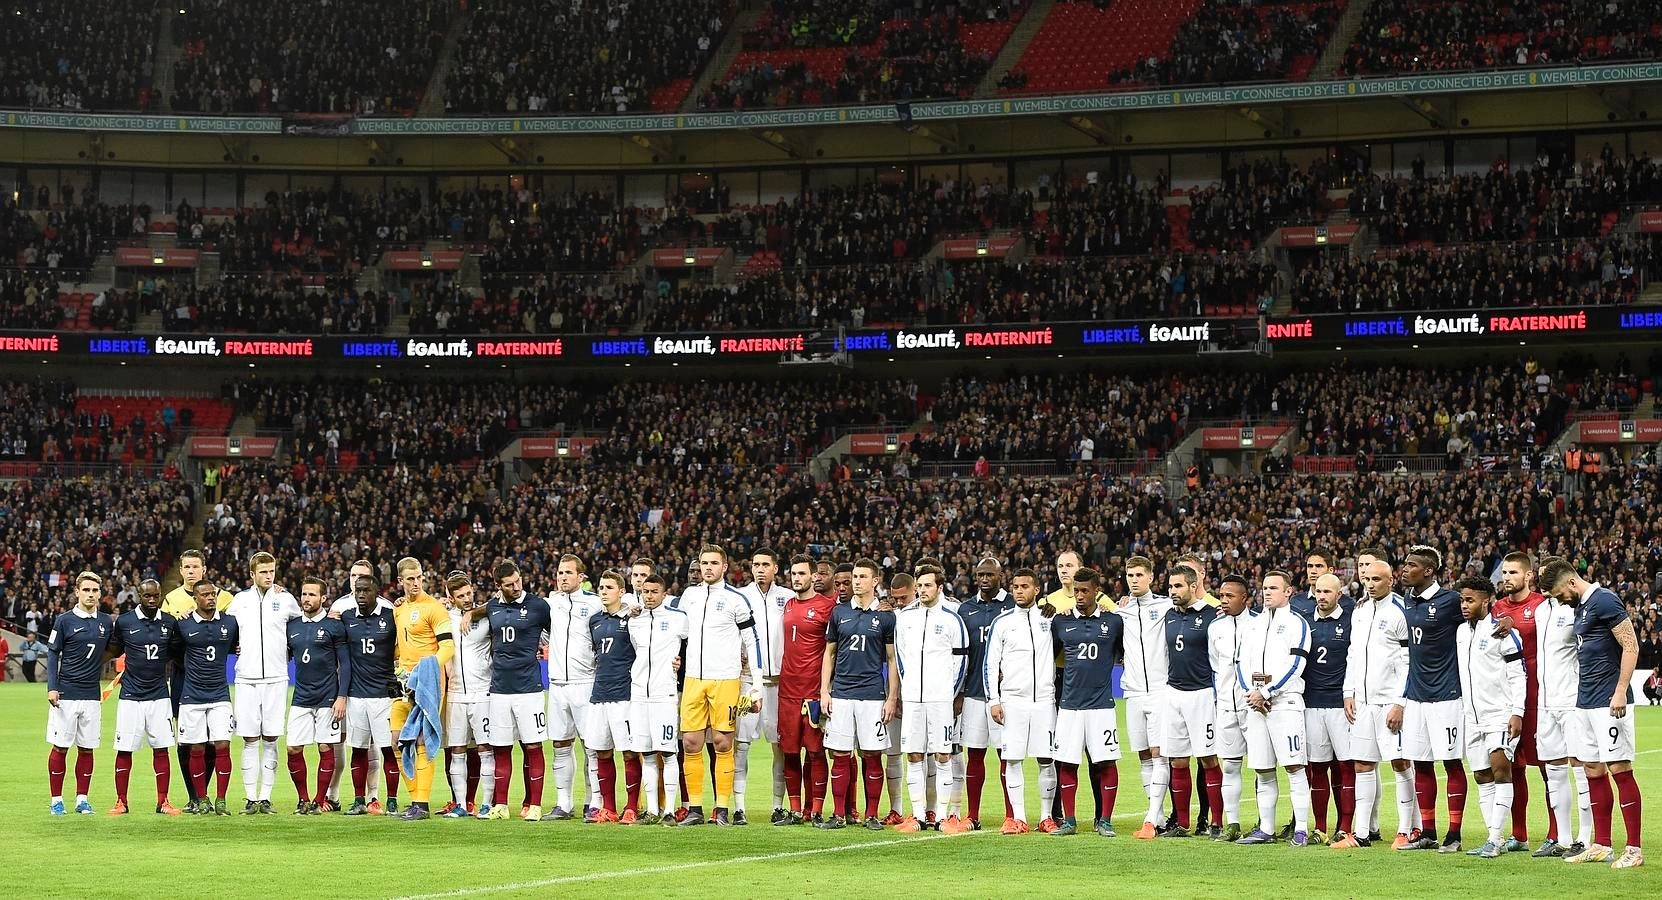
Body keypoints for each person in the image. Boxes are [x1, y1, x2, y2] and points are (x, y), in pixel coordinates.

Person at [1537, 558, 1644, 869]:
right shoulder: (1581, 607)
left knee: (1620, 770)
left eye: (1558, 593)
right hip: (1584, 702)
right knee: (1593, 770)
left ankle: (1634, 849)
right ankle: (1602, 844)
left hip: (1610, 702)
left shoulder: (1605, 600)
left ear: (1571, 582)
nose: (1558, 599)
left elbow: (1630, 644)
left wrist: (1621, 690)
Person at [675, 544, 764, 827]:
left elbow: (752, 641)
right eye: (704, 563)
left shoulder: (736, 600)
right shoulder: (689, 596)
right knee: (690, 742)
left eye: (714, 563)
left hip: (725, 678)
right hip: (693, 679)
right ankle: (695, 808)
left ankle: (722, 807)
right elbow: (678, 630)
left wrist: (756, 684)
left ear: (724, 567)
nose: (708, 568)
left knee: (724, 742)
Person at [1337, 556, 1412, 851]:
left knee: (1400, 762)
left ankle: (1407, 829)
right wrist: (1348, 691)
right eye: (1367, 579)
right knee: (1363, 765)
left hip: (1389, 703)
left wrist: (1400, 703)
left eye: (1377, 579)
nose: (1370, 584)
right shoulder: (1360, 610)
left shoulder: (1399, 611)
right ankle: (1362, 833)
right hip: (1363, 702)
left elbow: (1408, 661)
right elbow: (1354, 654)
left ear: (1391, 580)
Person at [1234, 570, 1314, 846]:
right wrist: (1251, 691)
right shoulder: (1252, 624)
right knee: (1263, 769)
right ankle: (1266, 829)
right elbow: (1239, 662)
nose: (1267, 592)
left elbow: (1296, 666)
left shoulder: (1297, 624)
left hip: (1285, 704)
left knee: (1294, 767)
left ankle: (1301, 828)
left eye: (1273, 588)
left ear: (1288, 591)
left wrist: (1267, 691)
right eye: (1265, 587)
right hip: (1256, 705)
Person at [1397, 546, 1468, 853]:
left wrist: (1503, 623)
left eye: (1411, 565)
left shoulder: (1451, 601)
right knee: (1421, 763)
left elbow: (1482, 612)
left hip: (1447, 696)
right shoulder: (1408, 600)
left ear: (1428, 571)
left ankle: (1454, 835)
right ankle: (1427, 831)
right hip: (1416, 696)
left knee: (1451, 762)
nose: (1405, 569)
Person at [819, 558, 898, 830]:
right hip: (840, 694)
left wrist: (891, 697)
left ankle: (873, 815)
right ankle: (839, 814)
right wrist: (824, 692)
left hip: (872, 696)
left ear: (875, 581)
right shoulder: (839, 613)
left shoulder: (887, 616)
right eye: (855, 576)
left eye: (862, 577)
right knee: (840, 755)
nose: (856, 581)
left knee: (872, 755)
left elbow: (891, 660)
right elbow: (828, 654)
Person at [1451, 576, 1527, 859]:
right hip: (1471, 716)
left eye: (1470, 600)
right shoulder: (1461, 632)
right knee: (1482, 775)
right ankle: (1492, 835)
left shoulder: (1502, 631)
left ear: (1486, 601)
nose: (1464, 605)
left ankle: (1496, 840)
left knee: (1500, 771)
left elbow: (1518, 675)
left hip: (1499, 714)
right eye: (1462, 600)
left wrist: (1517, 712)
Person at [1047, 567, 1123, 837]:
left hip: (1102, 705)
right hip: (1069, 705)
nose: (1078, 596)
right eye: (1076, 591)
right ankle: (1069, 820)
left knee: (1106, 762)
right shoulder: (1061, 622)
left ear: (1095, 591)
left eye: (1084, 591)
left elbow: (1124, 653)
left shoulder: (1114, 622)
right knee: (1067, 763)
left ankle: (1105, 820)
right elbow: (1048, 657)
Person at [226, 550, 302, 815]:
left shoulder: (286, 599)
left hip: (277, 677)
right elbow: (226, 630)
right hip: (246, 678)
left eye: (272, 571)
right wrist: (233, 647)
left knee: (270, 738)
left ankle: (265, 797)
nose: (269, 576)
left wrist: (291, 649)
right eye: (263, 572)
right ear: (252, 574)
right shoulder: (239, 601)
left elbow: (301, 627)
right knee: (249, 739)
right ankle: (250, 797)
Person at [893, 564, 967, 833]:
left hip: (940, 700)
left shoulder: (952, 618)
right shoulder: (904, 618)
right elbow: (900, 657)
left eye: (928, 585)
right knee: (913, 755)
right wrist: (908, 686)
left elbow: (961, 659)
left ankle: (944, 816)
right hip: (913, 698)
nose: (923, 590)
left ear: (939, 587)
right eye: (920, 585)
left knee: (943, 754)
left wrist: (951, 694)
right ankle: (917, 816)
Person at [986, 567, 1059, 835]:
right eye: (1015, 586)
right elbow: (990, 664)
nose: (1019, 591)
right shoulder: (1002, 622)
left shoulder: (1049, 619)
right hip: (1013, 701)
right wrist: (994, 699)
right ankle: (1018, 818)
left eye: (1025, 587)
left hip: (1044, 701)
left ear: (1036, 590)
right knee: (1013, 760)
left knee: (1045, 759)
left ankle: (1046, 817)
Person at [482, 560, 553, 821]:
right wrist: (469, 613)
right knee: (501, 747)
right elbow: (482, 610)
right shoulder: (492, 607)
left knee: (532, 746)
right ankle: (500, 804)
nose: (516, 587)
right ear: (498, 586)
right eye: (509, 584)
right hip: (499, 688)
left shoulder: (538, 606)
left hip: (529, 689)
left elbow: (560, 631)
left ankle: (534, 804)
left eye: (518, 581)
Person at [163, 549, 231, 809]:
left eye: (195, 567)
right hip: (182, 674)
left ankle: (205, 792)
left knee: (215, 738)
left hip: (211, 675)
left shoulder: (223, 598)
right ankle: (193, 796)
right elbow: (167, 634)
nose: (191, 571)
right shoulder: (170, 599)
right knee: (187, 740)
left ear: (203, 569)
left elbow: (233, 626)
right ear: (180, 571)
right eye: (186, 568)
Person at [388, 557, 455, 820]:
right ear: (400, 581)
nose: (416, 583)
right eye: (410, 579)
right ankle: (414, 797)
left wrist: (425, 669)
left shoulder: (435, 608)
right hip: (402, 681)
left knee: (420, 740)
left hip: (427, 683)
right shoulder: (400, 609)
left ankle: (422, 804)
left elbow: (447, 647)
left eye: (419, 577)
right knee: (396, 740)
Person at [1492, 550, 1548, 852]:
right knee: (1512, 766)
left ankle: (1555, 834)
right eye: (1504, 573)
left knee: (1547, 765)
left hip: (1538, 697)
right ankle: (1520, 834)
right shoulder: (1498, 608)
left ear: (1529, 575)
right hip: (1507, 697)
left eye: (1513, 573)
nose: (1507, 578)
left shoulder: (1540, 606)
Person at [46, 572, 115, 815]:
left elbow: (113, 649)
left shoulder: (106, 622)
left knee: (87, 748)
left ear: (100, 594)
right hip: (65, 694)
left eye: (95, 591)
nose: (90, 595)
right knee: (61, 747)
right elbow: (53, 652)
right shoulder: (64, 621)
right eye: (86, 590)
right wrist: (52, 687)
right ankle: (56, 800)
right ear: (77, 592)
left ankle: (82, 800)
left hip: (91, 695)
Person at [775, 554, 837, 825]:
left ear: (814, 576)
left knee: (815, 751)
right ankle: (796, 809)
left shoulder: (827, 607)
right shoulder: (788, 605)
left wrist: (828, 687)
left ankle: (816, 810)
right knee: (789, 750)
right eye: (794, 574)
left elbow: (834, 649)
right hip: (787, 689)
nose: (797, 578)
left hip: (812, 689)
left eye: (802, 574)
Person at [109, 579, 179, 816]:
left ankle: (163, 801)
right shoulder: (125, 621)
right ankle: (121, 801)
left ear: (160, 595)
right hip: (130, 696)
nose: (151, 600)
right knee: (124, 749)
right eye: (147, 595)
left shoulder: (169, 623)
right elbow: (113, 649)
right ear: (139, 595)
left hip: (159, 695)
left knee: (161, 749)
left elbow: (178, 652)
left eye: (155, 596)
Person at [1161, 564, 1219, 838]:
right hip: (1174, 694)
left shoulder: (1212, 616)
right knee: (1178, 761)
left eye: (1178, 586)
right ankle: (1182, 823)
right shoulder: (1168, 616)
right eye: (1170, 586)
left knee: (1208, 759)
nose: (1172, 591)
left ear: (1193, 586)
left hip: (1203, 694)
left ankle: (1216, 822)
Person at [1116, 555, 1172, 840]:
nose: (1134, 580)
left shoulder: (1165, 606)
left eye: (1139, 575)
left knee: (1159, 754)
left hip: (1161, 691)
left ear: (1151, 577)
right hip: (1133, 693)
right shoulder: (1120, 611)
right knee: (1142, 756)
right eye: (1130, 575)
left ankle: (1151, 817)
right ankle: (1158, 815)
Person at [956, 556, 1015, 831]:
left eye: (989, 574)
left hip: (1004, 696)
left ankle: (1011, 815)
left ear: (1000, 576)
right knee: (975, 755)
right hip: (973, 693)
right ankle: (973, 815)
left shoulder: (1013, 606)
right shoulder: (965, 609)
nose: (984, 578)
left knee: (1007, 755)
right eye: (980, 574)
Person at [172, 579, 240, 817]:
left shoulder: (230, 623)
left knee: (223, 745)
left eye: (213, 594)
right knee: (196, 748)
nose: (210, 598)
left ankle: (221, 799)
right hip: (192, 696)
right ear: (195, 598)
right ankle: (201, 798)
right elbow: (173, 652)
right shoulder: (183, 625)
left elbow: (237, 645)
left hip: (220, 694)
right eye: (205, 595)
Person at [283, 576, 350, 815]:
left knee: (325, 747)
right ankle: (303, 799)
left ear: (323, 598)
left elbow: (345, 663)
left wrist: (342, 696)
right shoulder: (292, 626)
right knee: (293, 748)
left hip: (327, 698)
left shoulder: (334, 626)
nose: (306, 599)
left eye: (312, 594)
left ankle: (320, 800)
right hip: (301, 696)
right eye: (304, 594)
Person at [738, 548, 793, 823]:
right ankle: (738, 807)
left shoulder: (788, 597)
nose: (759, 569)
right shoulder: (740, 597)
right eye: (755, 564)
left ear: (775, 568)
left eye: (765, 565)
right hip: (747, 682)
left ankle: (776, 806)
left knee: (779, 746)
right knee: (741, 744)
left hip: (780, 683)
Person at [627, 572, 687, 826]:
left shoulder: (678, 619)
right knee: (648, 754)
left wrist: (680, 665)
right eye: (645, 592)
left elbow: (691, 647)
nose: (649, 596)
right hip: (639, 694)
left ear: (665, 594)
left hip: (665, 695)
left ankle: (669, 811)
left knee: (669, 753)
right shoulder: (635, 621)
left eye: (654, 592)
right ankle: (652, 810)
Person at [545, 554, 601, 821]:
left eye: (568, 573)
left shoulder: (594, 603)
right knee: (560, 744)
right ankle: (563, 803)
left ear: (581, 577)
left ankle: (594, 801)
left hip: (585, 683)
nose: (563, 577)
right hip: (557, 685)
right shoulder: (551, 603)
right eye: (560, 572)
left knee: (591, 745)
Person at [341, 575, 401, 816]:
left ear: (377, 592)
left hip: (383, 696)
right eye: (357, 591)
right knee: (358, 749)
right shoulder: (346, 619)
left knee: (388, 749)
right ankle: (358, 800)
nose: (361, 596)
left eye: (366, 591)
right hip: (356, 695)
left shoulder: (391, 617)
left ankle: (393, 800)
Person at [585, 571, 640, 823]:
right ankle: (608, 808)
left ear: (621, 591)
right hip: (599, 694)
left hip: (624, 694)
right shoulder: (594, 621)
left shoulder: (632, 618)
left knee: (628, 752)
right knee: (601, 751)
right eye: (601, 587)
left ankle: (631, 807)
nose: (603, 591)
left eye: (609, 587)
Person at [1304, 573, 1353, 844]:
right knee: (1318, 767)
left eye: (1327, 592)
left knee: (1346, 767)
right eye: (1318, 591)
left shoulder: (1350, 620)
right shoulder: (1303, 621)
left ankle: (1345, 826)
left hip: (1340, 705)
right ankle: (1320, 828)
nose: (1321, 596)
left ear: (1339, 594)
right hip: (1311, 704)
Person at [442, 568, 494, 819]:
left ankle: (485, 803)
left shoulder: (486, 616)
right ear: (450, 597)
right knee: (457, 750)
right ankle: (462, 804)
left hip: (482, 692)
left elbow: (498, 602)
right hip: (454, 695)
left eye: (469, 593)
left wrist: (473, 611)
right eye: (461, 596)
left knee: (485, 748)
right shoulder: (444, 617)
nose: (467, 598)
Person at [1207, 575, 1252, 841]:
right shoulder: (1216, 628)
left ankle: (1264, 823)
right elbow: (1216, 665)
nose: (1224, 600)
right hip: (1225, 705)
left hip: (1253, 706)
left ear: (1244, 598)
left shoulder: (1258, 625)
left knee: (1262, 766)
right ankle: (1232, 824)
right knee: (1231, 765)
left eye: (1230, 596)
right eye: (1222, 595)